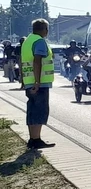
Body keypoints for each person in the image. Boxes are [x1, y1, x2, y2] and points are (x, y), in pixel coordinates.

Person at [21, 19, 55, 149]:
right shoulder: (39, 41)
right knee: (40, 110)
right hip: (39, 84)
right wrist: (37, 81)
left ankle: (32, 139)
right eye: (47, 29)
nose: (47, 31)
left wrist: (24, 80)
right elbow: (37, 61)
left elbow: (24, 61)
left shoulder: (27, 41)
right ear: (43, 29)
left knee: (32, 110)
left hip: (29, 82)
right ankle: (36, 139)